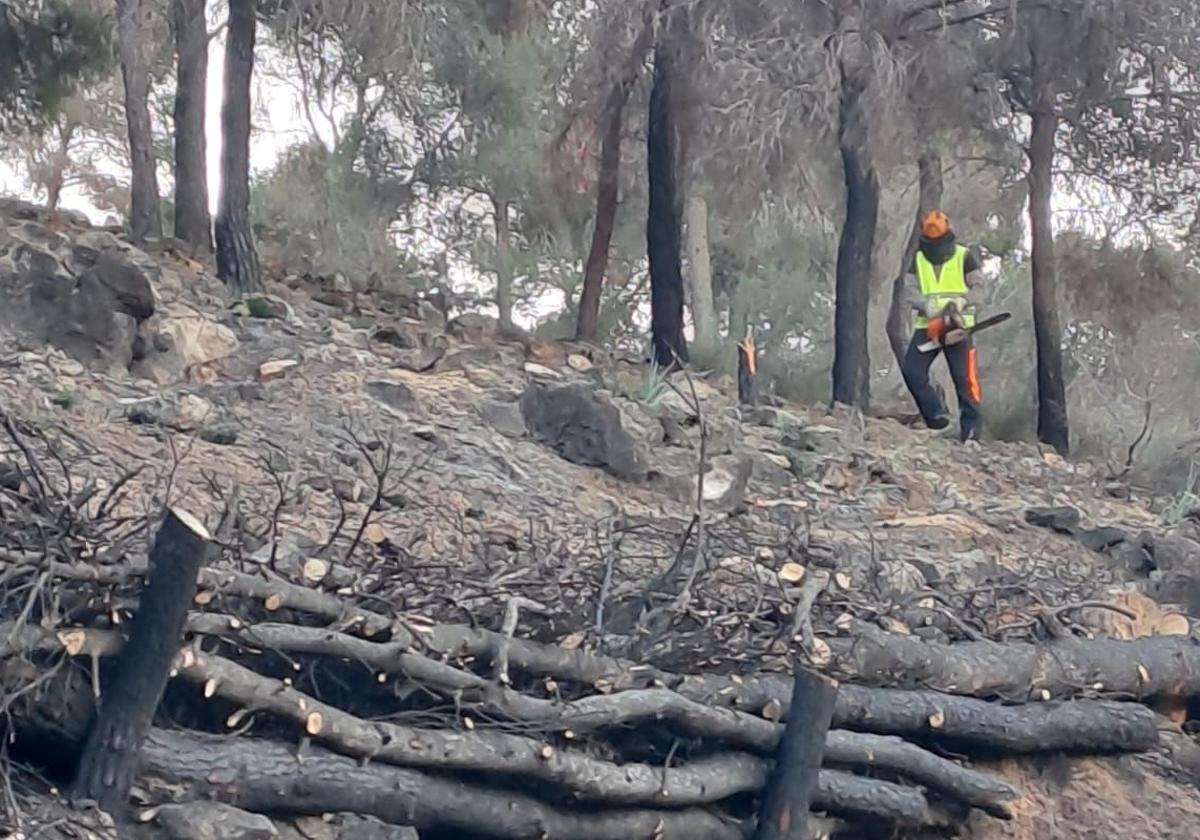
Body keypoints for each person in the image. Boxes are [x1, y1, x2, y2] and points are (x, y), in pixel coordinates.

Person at [900, 209, 984, 442]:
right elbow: (908, 289)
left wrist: (962, 300)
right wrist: (925, 306)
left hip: (959, 327)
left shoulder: (964, 256)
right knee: (912, 371)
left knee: (965, 381)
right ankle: (937, 418)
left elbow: (980, 289)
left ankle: (972, 432)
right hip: (928, 326)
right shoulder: (917, 259)